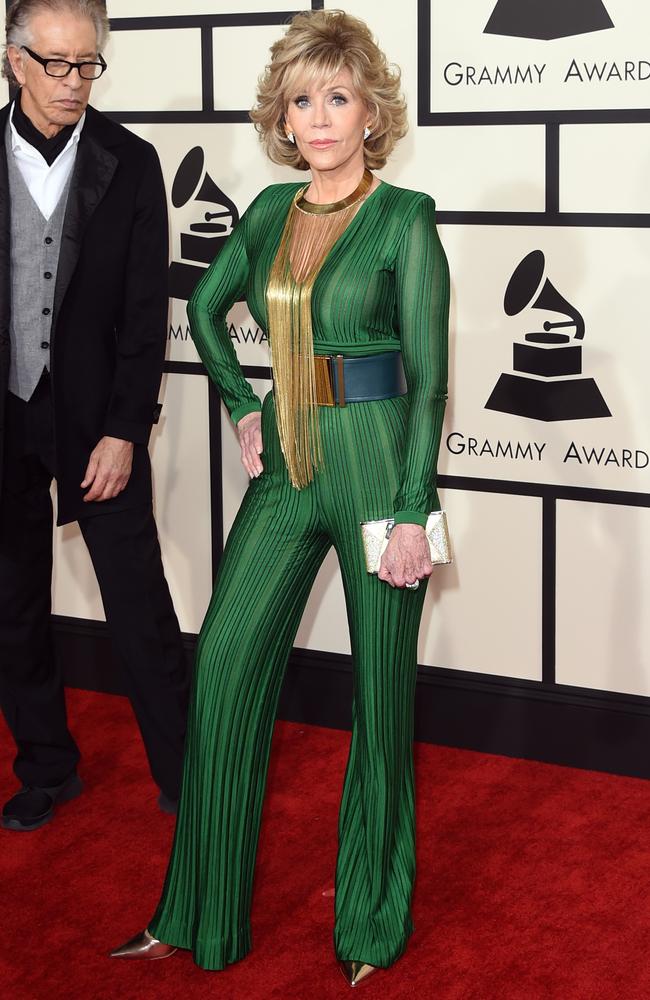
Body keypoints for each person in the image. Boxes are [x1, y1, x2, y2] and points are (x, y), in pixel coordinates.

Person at [111, 9, 449, 987]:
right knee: (219, 665)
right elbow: (208, 311)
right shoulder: (264, 215)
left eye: (337, 97)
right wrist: (237, 403)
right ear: (282, 116)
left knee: (379, 695)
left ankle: (371, 927)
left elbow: (425, 377)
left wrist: (411, 507)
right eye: (301, 99)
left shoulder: (405, 217)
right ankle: (196, 915)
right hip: (286, 463)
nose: (319, 117)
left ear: (369, 111)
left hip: (376, 459)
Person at [0, 0, 189, 832]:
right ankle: (46, 766)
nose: (75, 83)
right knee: (11, 603)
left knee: (138, 601)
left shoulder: (132, 162)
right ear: (15, 61)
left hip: (98, 421)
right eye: (57, 64)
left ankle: (190, 776)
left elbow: (148, 313)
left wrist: (124, 428)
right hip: (6, 412)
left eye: (89, 65)